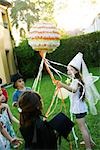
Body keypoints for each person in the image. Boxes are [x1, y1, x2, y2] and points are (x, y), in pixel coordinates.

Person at [54, 52, 100, 150]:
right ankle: (90, 142)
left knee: (82, 128)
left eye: (70, 69)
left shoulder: (76, 81)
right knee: (84, 126)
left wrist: (62, 85)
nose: (68, 71)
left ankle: (88, 147)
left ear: (76, 71)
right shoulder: (77, 80)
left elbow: (73, 90)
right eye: (67, 70)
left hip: (79, 109)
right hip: (80, 108)